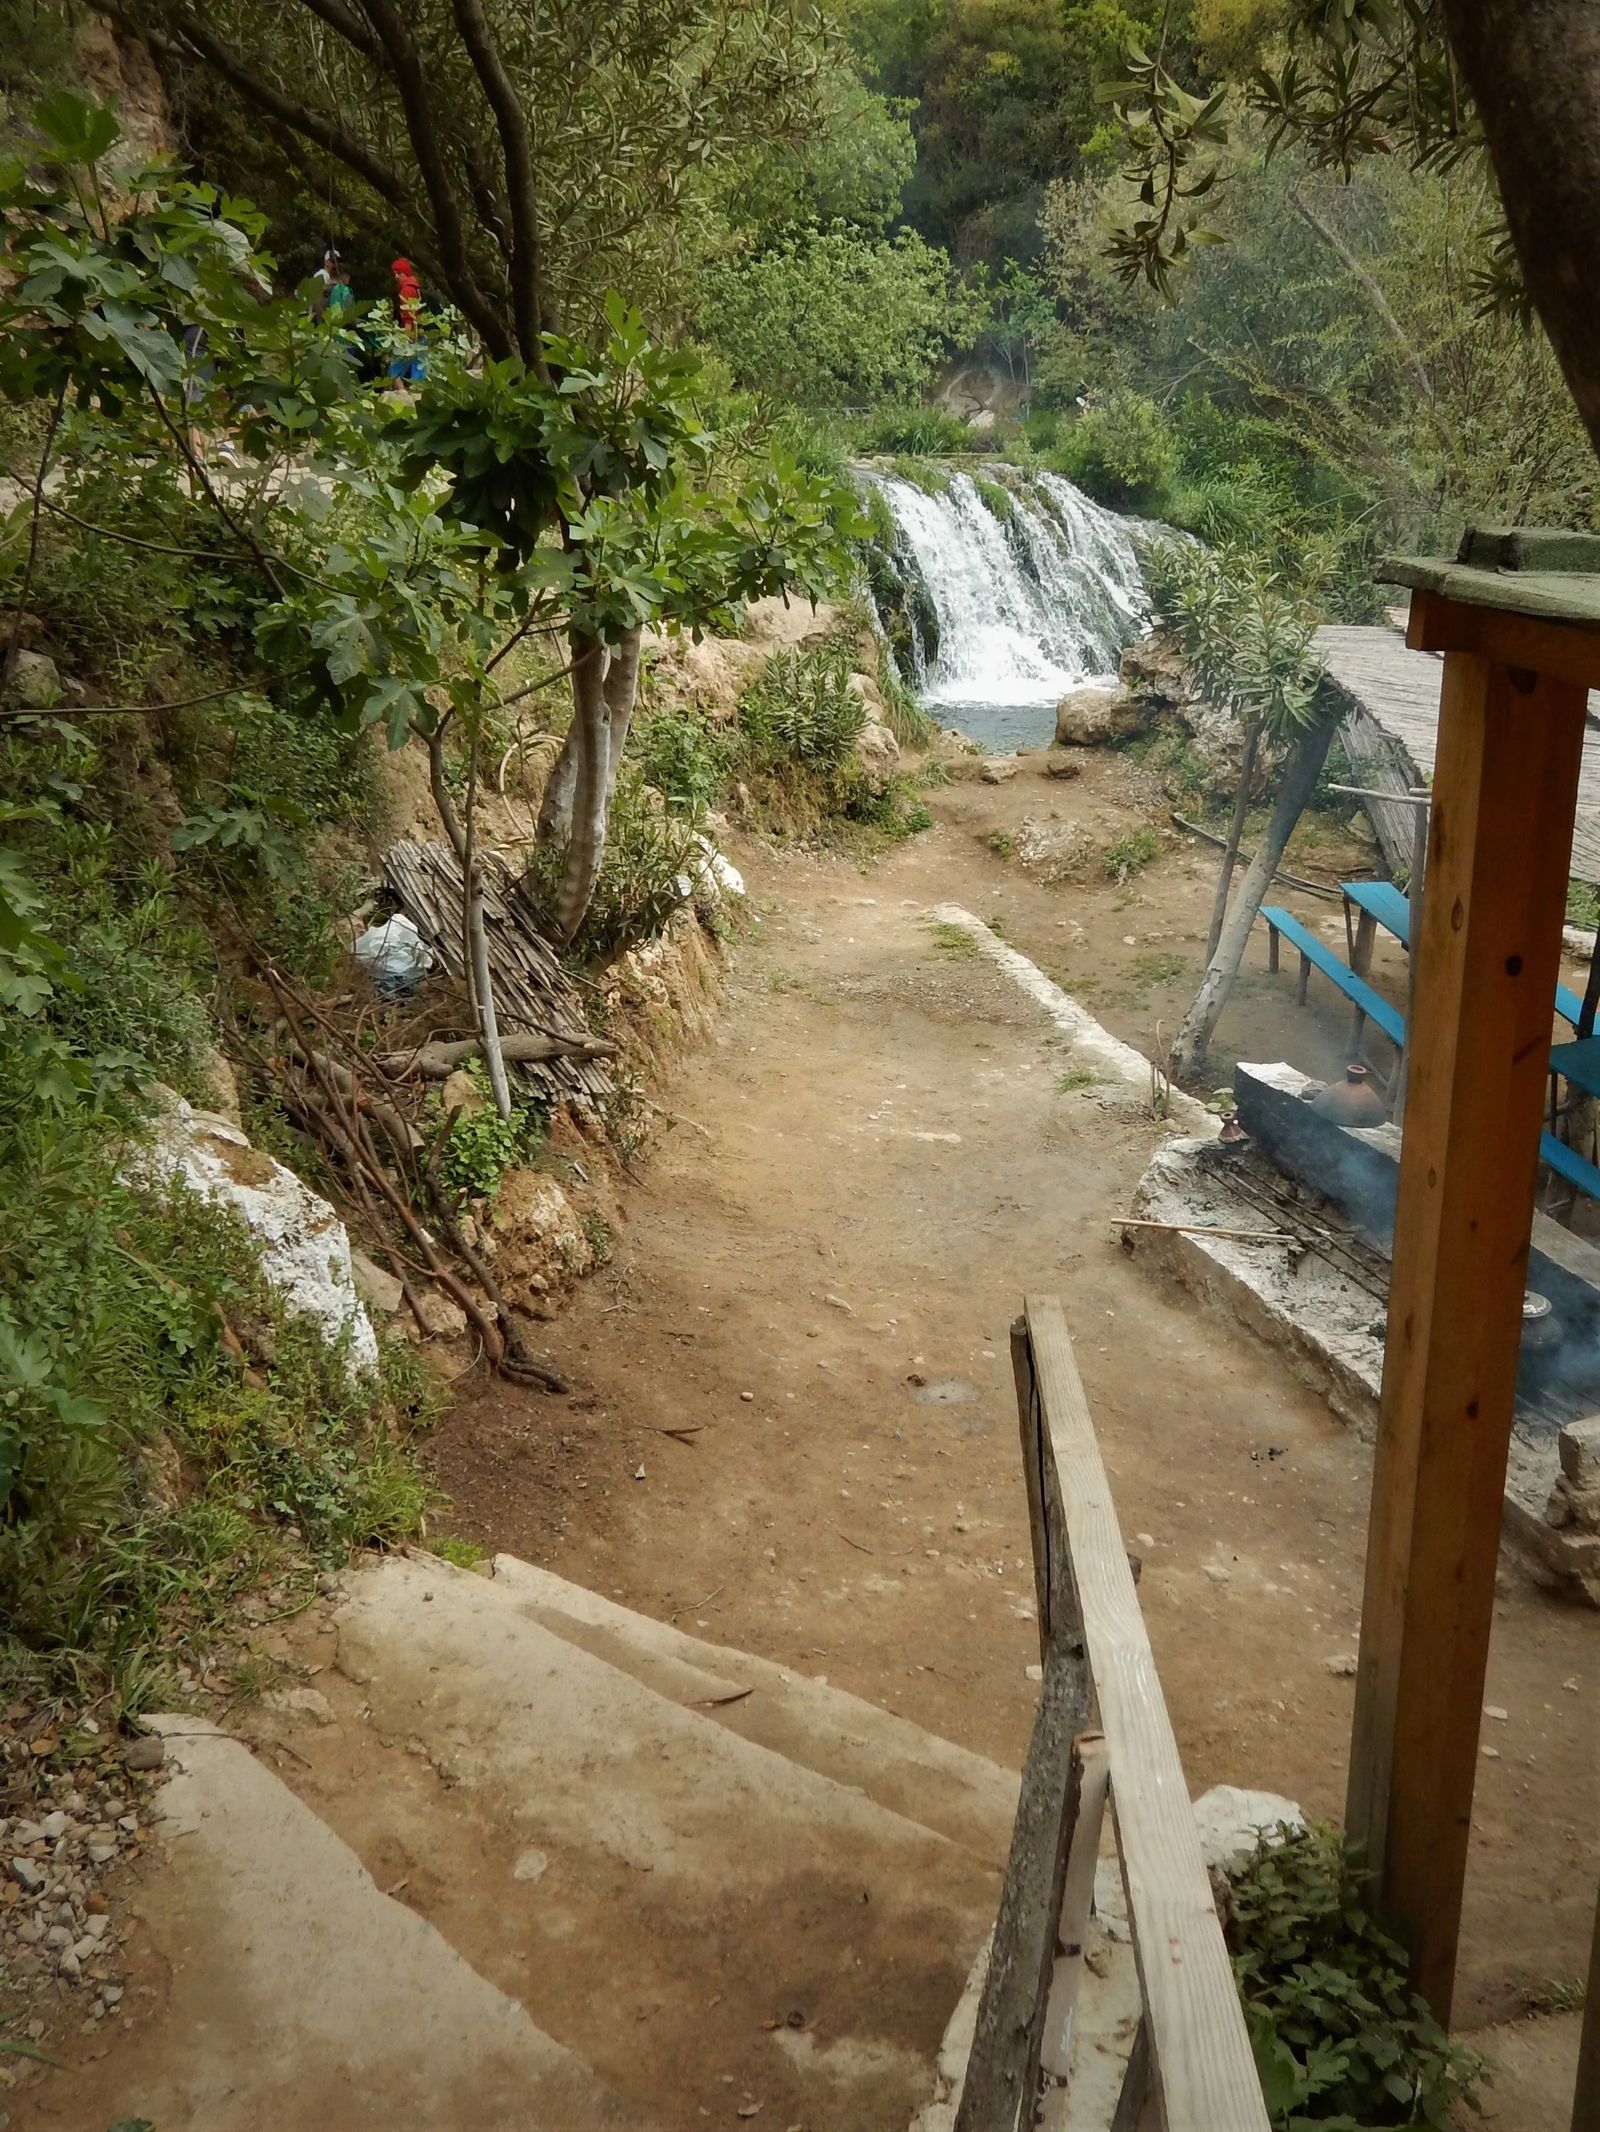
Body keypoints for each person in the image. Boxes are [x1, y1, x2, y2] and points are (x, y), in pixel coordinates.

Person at [388, 255, 426, 385]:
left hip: (410, 335)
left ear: (406, 273)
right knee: (419, 372)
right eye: (395, 274)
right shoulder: (416, 288)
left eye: (399, 273)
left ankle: (401, 394)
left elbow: (409, 316)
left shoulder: (406, 290)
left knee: (394, 371)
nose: (396, 277)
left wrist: (404, 338)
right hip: (420, 334)